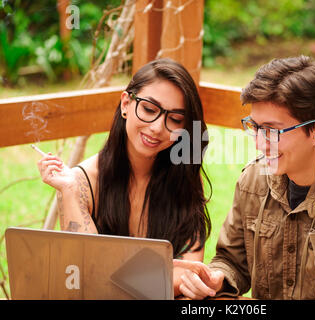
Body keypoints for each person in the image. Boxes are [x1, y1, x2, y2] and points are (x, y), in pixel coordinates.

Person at [175, 55, 315, 300]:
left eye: (272, 131)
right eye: (256, 127)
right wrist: (218, 277)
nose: (260, 143)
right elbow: (231, 260)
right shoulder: (254, 180)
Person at [37, 58, 211, 297]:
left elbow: (188, 274)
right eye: (149, 109)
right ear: (126, 104)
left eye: (175, 119)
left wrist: (114, 279)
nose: (158, 127)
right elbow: (82, 274)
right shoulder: (81, 182)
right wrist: (68, 190)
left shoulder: (184, 179)